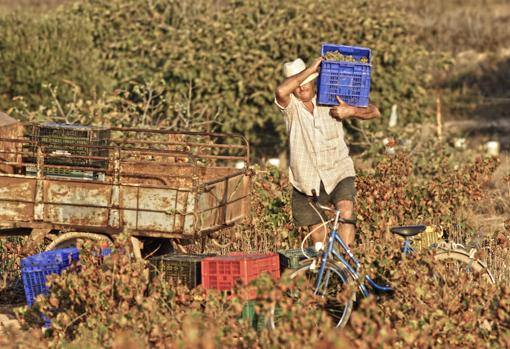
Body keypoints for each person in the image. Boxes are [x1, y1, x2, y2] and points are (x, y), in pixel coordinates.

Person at [274, 57, 380, 247]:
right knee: (317, 235)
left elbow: (374, 111)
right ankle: (326, 268)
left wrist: (351, 111)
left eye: (307, 83)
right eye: (298, 83)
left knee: (345, 211)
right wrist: (309, 69)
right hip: (306, 180)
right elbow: (281, 91)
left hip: (338, 171)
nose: (302, 87)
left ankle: (344, 264)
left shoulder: (330, 97)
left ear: (315, 81)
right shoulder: (291, 108)